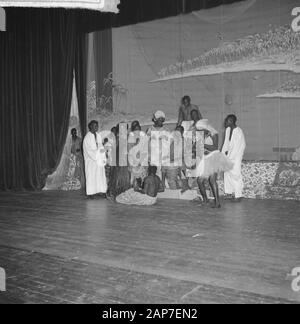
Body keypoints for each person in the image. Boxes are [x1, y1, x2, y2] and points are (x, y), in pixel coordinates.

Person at [195, 119, 233, 208]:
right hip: (206, 158)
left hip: (213, 158)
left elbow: (215, 148)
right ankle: (205, 200)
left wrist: (202, 144)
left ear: (204, 127)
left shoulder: (214, 134)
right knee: (200, 181)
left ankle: (217, 202)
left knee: (212, 181)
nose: (199, 131)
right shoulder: (202, 134)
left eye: (200, 129)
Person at [221, 114, 246, 202]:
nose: (225, 122)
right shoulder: (228, 130)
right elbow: (226, 144)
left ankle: (238, 195)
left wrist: (230, 156)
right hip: (228, 156)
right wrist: (223, 154)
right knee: (227, 173)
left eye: (227, 120)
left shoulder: (238, 131)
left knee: (235, 175)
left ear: (231, 121)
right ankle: (229, 192)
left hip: (236, 157)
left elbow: (238, 147)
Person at [83, 120, 107, 199]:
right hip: (91, 161)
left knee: (100, 175)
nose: (97, 127)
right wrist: (97, 155)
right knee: (91, 176)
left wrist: (102, 155)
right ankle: (91, 193)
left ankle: (101, 191)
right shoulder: (87, 137)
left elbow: (101, 147)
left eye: (97, 125)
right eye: (95, 125)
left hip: (99, 160)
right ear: (90, 127)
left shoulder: (98, 135)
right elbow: (88, 150)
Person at [128, 121, 148, 190]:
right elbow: (130, 152)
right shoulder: (130, 138)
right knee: (133, 178)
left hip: (142, 161)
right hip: (133, 162)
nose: (137, 131)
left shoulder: (143, 137)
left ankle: (141, 189)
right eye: (135, 129)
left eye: (138, 129)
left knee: (142, 177)